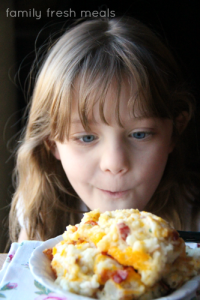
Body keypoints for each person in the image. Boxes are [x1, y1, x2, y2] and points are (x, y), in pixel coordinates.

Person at [9, 16, 200, 243]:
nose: (115, 163)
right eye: (87, 137)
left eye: (140, 134)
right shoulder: (43, 215)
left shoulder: (195, 216)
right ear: (52, 142)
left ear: (174, 132)